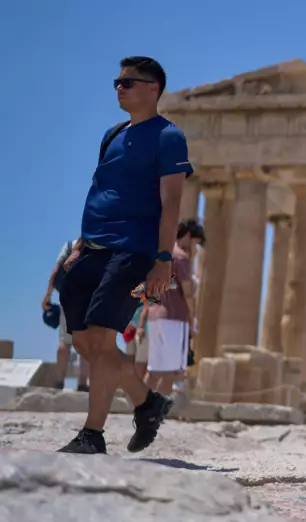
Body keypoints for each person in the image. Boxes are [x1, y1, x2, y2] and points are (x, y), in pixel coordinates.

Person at [56, 56, 192, 454]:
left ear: (153, 88)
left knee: (102, 338)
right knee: (84, 342)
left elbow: (171, 202)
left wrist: (163, 259)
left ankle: (92, 434)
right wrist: (80, 244)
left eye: (128, 82)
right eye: (117, 82)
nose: (119, 88)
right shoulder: (112, 134)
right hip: (92, 247)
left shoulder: (169, 137)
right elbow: (101, 190)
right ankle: (147, 402)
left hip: (133, 248)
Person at [145, 220, 203, 395]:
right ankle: (159, 407)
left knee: (154, 370)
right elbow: (188, 292)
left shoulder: (161, 255)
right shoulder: (181, 257)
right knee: (170, 372)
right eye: (196, 243)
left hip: (155, 316)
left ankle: (139, 404)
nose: (195, 248)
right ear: (188, 236)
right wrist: (192, 319)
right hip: (174, 318)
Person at [42, 239, 90, 391]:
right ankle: (82, 384)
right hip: (89, 300)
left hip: (69, 298)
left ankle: (59, 382)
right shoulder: (99, 245)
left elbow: (55, 272)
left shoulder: (70, 245)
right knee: (85, 343)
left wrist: (47, 296)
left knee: (65, 342)